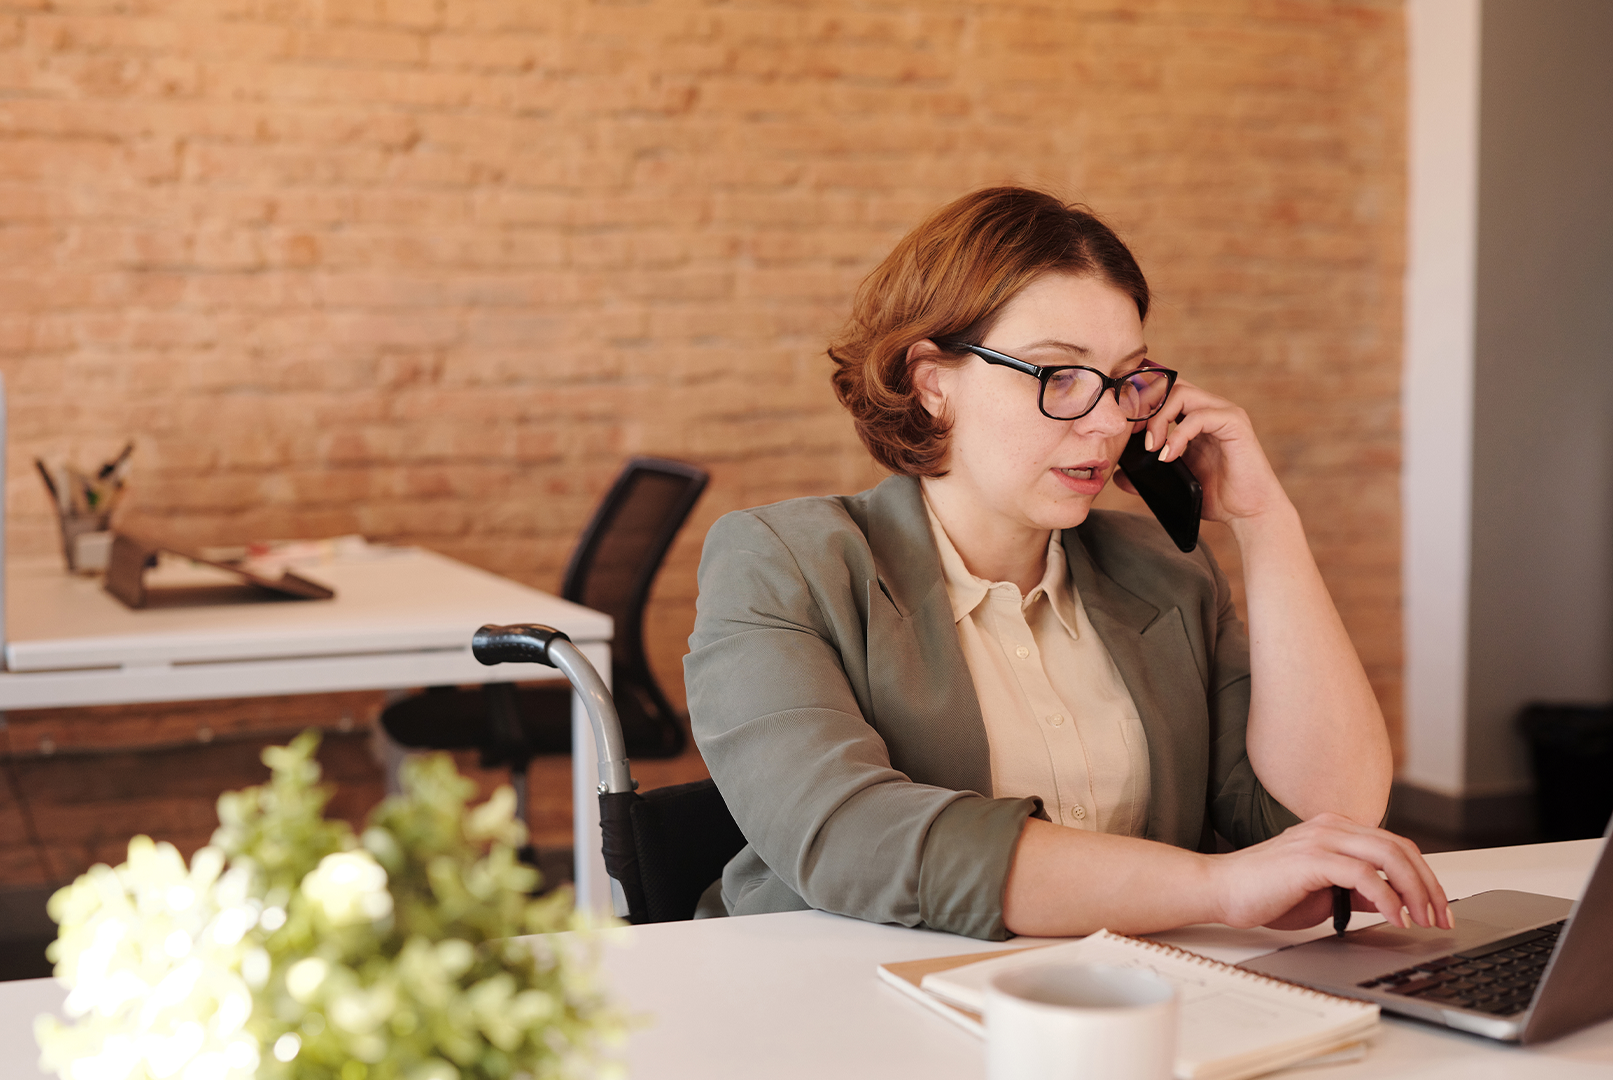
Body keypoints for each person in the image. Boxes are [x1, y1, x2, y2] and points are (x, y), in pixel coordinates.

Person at [683, 187, 1450, 941]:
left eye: (1126, 379)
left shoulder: (1162, 571)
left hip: (1115, 1010)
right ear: (932, 382)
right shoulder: (782, 561)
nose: (1111, 418)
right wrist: (1215, 886)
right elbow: (847, 835)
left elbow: (1327, 818)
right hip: (839, 1005)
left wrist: (1263, 521)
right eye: (1060, 375)